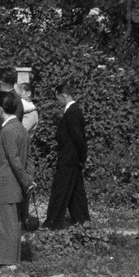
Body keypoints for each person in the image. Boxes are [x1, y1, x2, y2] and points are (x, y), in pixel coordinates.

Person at [0, 92, 34, 269]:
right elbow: (29, 158)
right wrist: (29, 179)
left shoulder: (7, 130)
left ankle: (8, 263)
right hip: (17, 185)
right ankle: (13, 260)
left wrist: (26, 181)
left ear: (0, 109)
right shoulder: (21, 128)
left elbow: (14, 161)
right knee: (13, 224)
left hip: (7, 184)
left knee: (6, 225)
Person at [44, 80, 91, 229]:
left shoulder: (72, 112)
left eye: (58, 97)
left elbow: (79, 138)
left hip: (69, 158)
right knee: (76, 191)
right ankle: (82, 220)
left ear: (64, 96)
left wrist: (82, 157)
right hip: (72, 157)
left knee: (61, 189)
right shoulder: (72, 111)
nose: (57, 101)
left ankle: (53, 221)